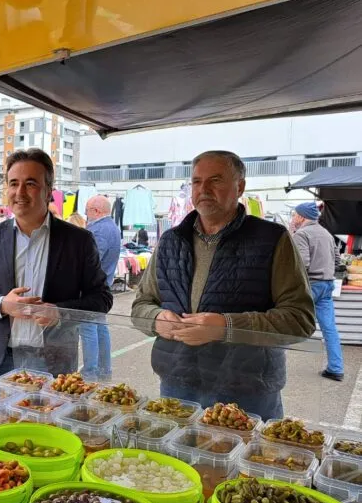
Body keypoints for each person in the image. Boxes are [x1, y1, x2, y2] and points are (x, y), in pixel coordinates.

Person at [131, 150, 315, 420]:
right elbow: (140, 305)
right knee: (178, 459)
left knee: (246, 461)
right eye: (196, 182)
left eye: (215, 180)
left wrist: (225, 327)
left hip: (248, 390)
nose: (203, 189)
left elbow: (300, 320)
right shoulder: (171, 240)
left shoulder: (272, 239)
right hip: (177, 384)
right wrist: (156, 319)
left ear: (239, 187)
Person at [0, 149, 113, 383]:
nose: (19, 192)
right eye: (13, 183)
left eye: (30, 183)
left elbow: (102, 298)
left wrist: (59, 312)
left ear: (49, 190)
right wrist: (2, 304)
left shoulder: (78, 241)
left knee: (48, 421)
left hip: (53, 363)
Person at [291, 201, 344, 381]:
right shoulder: (326, 233)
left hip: (311, 285)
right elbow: (337, 260)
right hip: (328, 284)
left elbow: (302, 264)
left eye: (294, 215)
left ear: (301, 216)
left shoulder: (302, 234)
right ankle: (336, 368)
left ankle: (271, 366)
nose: (293, 218)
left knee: (285, 320)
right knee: (329, 328)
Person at [80, 195, 121, 380]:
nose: (85, 215)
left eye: (87, 211)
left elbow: (90, 261)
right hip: (104, 286)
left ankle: (90, 372)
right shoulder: (112, 227)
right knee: (100, 328)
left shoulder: (98, 230)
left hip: (91, 289)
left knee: (88, 329)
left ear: (96, 211)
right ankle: (105, 370)